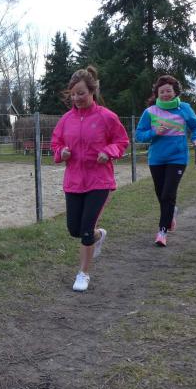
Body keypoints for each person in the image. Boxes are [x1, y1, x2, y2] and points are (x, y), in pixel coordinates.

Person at [51, 66, 129, 291]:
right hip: (74, 181)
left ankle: (83, 274)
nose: (76, 98)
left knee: (85, 230)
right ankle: (99, 235)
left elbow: (121, 141)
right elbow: (56, 144)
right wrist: (62, 152)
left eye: (81, 93)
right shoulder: (66, 120)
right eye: (73, 94)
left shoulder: (107, 117)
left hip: (99, 181)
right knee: (74, 229)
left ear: (92, 91)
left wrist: (109, 152)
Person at [135, 75, 196, 247]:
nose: (165, 94)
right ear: (157, 93)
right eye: (162, 91)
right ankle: (171, 212)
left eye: (169, 91)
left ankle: (162, 231)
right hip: (157, 159)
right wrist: (154, 132)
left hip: (177, 158)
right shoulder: (150, 112)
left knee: (168, 194)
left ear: (175, 92)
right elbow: (139, 135)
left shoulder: (184, 108)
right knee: (161, 195)